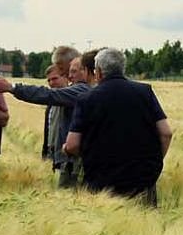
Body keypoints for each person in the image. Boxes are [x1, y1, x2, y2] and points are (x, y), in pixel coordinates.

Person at [63, 48, 173, 205]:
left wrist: (76, 151)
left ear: (98, 72)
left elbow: (73, 144)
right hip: (142, 180)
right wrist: (154, 163)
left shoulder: (86, 99)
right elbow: (166, 133)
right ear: (122, 69)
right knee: (144, 219)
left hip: (101, 181)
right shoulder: (145, 92)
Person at [0, 47, 92, 188]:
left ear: (84, 69)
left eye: (64, 69)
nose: (62, 73)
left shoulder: (81, 90)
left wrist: (12, 88)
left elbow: (48, 95)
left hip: (73, 162)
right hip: (67, 160)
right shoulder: (76, 91)